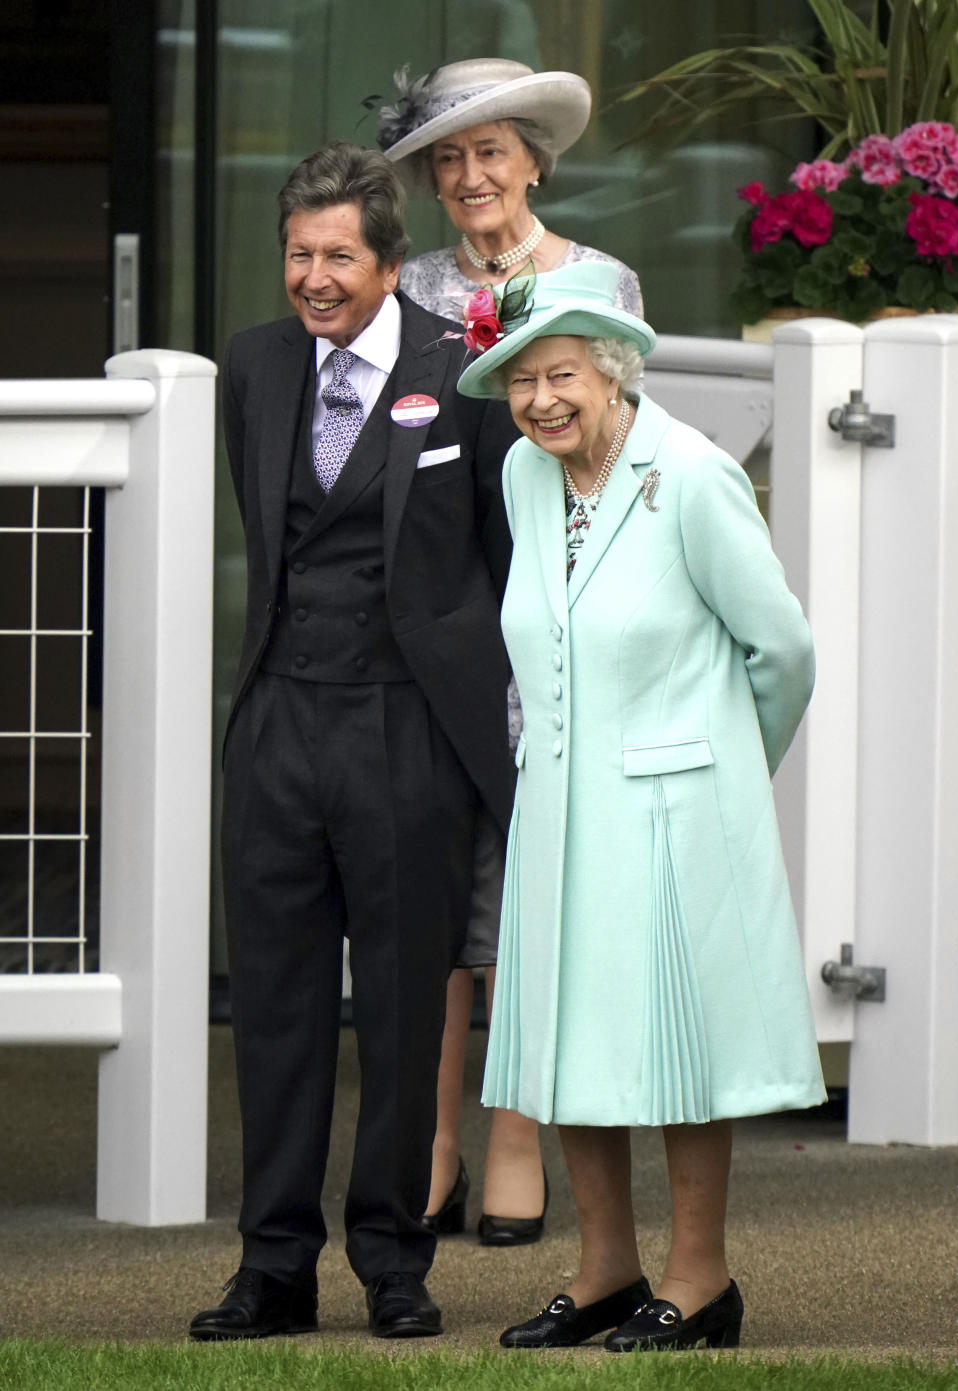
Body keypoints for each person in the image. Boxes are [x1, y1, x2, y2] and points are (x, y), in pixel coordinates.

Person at [456, 261, 826, 1352]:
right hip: (557, 804)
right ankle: (606, 1268)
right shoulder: (528, 475)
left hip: (678, 812)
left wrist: (720, 767)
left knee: (680, 1044)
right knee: (570, 1035)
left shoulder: (695, 474)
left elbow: (785, 650)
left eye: (559, 374)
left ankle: (700, 1279)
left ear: (613, 372)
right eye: (520, 380)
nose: (539, 401)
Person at [189, 141, 516, 1343]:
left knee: (397, 1004)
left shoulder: (463, 375)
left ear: (389, 264)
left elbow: (495, 553)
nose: (314, 278)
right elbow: (266, 528)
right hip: (277, 718)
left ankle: (393, 1259)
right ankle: (272, 1266)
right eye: (298, 253)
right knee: (272, 1006)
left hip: (404, 727)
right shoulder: (256, 365)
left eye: (338, 256)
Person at [378, 56, 644, 1248]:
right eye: (449, 157)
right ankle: (430, 1138)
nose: (471, 174)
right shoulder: (411, 285)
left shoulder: (597, 279)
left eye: (493, 150)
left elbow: (628, 455)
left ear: (536, 158)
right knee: (433, 876)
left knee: (533, 878)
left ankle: (519, 1130)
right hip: (437, 618)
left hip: (558, 599)